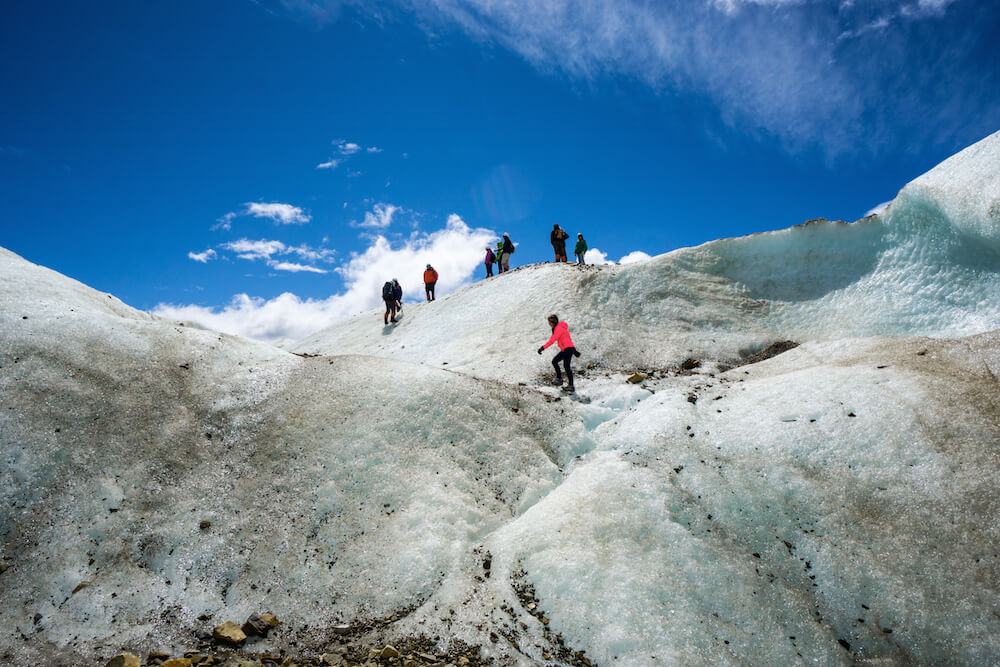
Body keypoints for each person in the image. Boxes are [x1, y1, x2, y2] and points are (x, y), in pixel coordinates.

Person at [537, 314, 581, 392]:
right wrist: (574, 351)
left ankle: (563, 381)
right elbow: (568, 340)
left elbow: (552, 340)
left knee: (559, 363)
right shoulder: (561, 328)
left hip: (567, 349)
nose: (549, 324)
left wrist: (542, 348)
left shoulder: (558, 328)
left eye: (549, 322)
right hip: (568, 349)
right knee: (562, 364)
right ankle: (567, 383)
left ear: (553, 322)